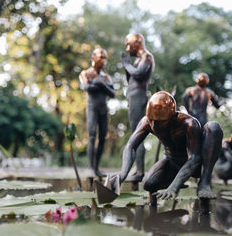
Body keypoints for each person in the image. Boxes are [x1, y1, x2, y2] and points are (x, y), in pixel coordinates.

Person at [109, 91, 223, 200]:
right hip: (172, 162)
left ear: (172, 116)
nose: (154, 125)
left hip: (196, 166)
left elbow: (195, 157)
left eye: (160, 121)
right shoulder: (146, 122)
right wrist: (123, 173)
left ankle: (204, 183)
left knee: (213, 127)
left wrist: (174, 187)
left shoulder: (188, 123)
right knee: (149, 184)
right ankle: (175, 179)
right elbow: (131, 146)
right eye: (152, 120)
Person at [120, 33, 155, 181]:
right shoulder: (137, 61)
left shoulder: (146, 57)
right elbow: (130, 78)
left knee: (138, 133)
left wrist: (126, 64)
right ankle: (137, 169)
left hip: (139, 96)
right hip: (133, 96)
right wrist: (127, 66)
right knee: (135, 132)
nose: (128, 48)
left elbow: (139, 74)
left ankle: (140, 172)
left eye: (129, 44)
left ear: (137, 43)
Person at [79, 48, 115, 177]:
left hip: (103, 109)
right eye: (101, 57)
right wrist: (99, 84)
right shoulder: (85, 73)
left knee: (102, 138)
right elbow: (86, 87)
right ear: (93, 58)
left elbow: (112, 93)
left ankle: (96, 167)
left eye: (105, 58)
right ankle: (90, 168)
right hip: (92, 108)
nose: (104, 60)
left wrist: (100, 84)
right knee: (92, 136)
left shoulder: (106, 77)